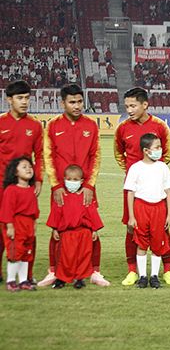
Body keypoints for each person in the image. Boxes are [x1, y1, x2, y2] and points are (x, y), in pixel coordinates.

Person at [38, 83, 108, 288]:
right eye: (72, 102)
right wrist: (55, 184)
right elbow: (48, 156)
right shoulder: (53, 126)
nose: (77, 106)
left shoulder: (91, 125)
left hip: (86, 187)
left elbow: (96, 155)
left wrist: (90, 184)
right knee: (57, 228)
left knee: (91, 228)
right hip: (60, 187)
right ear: (63, 103)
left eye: (79, 101)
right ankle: (54, 270)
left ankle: (94, 270)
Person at [115, 87, 170, 286]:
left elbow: (169, 153)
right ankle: (133, 270)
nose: (130, 110)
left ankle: (167, 270)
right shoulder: (123, 128)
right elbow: (118, 153)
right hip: (135, 190)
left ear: (145, 105)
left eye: (133, 106)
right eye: (127, 107)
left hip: (155, 189)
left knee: (163, 230)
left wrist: (155, 170)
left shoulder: (159, 126)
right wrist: (134, 173)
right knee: (131, 228)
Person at [0, 80, 43, 283]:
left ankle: (28, 275)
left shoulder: (34, 125)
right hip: (2, 186)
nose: (24, 102)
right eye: (20, 98)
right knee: (3, 230)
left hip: (25, 187)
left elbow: (40, 155)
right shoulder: (1, 123)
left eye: (27, 98)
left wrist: (39, 180)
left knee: (27, 231)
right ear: (9, 100)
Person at [124, 133, 170, 289]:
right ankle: (142, 276)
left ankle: (154, 275)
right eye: (157, 147)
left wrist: (169, 214)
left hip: (159, 209)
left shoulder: (163, 167)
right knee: (141, 243)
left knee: (157, 244)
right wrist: (131, 216)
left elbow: (168, 191)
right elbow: (130, 192)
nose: (160, 150)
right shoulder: (136, 168)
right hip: (141, 208)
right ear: (146, 150)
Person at [46, 165, 104, 289]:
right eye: (69, 179)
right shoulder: (62, 197)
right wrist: (54, 228)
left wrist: (94, 229)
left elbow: (92, 213)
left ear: (81, 181)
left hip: (83, 233)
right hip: (66, 233)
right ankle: (61, 278)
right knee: (64, 256)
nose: (72, 182)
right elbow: (56, 213)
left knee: (82, 256)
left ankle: (80, 278)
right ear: (65, 179)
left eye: (75, 179)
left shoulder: (85, 197)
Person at [1, 157, 38, 292]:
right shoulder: (11, 190)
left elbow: (34, 210)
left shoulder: (30, 189)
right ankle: (11, 280)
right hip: (16, 225)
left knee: (26, 253)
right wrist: (10, 226)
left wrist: (34, 225)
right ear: (15, 173)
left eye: (30, 166)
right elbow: (7, 210)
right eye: (24, 167)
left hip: (28, 225)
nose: (28, 169)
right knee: (15, 253)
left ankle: (23, 281)